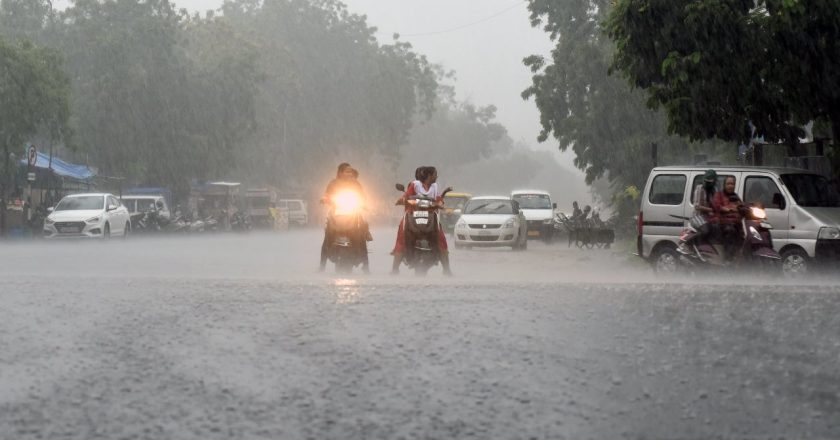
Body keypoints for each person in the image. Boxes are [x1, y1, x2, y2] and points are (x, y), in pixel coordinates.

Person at [391, 166, 452, 276]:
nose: (436, 176)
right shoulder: (414, 184)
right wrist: (403, 200)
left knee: (441, 237)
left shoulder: (435, 186)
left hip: (431, 215)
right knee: (402, 234)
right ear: (429, 175)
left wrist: (440, 203)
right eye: (435, 174)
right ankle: (395, 268)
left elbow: (438, 199)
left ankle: (446, 269)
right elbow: (407, 196)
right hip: (412, 214)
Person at [319, 163, 370, 273]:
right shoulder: (333, 183)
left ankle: (366, 265)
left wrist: (363, 203)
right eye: (347, 171)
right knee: (328, 236)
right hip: (336, 212)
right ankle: (321, 266)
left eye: (350, 171)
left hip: (353, 212)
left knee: (362, 233)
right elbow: (327, 194)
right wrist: (324, 199)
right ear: (340, 172)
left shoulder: (355, 183)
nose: (349, 173)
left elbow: (362, 196)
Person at [680, 169, 719, 254]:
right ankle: (686, 243)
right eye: (707, 181)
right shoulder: (700, 188)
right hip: (698, 216)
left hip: (709, 216)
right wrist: (710, 209)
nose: (709, 183)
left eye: (711, 182)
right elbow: (697, 206)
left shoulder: (714, 189)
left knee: (720, 228)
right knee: (705, 230)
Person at [713, 175, 743, 259]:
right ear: (724, 185)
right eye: (728, 184)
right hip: (724, 223)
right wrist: (726, 209)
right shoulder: (719, 195)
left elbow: (741, 205)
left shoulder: (735, 196)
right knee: (730, 230)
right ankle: (728, 258)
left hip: (737, 223)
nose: (730, 186)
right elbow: (716, 205)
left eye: (732, 184)